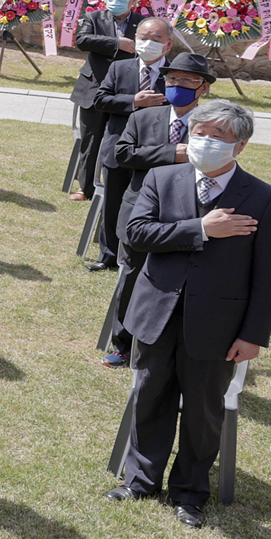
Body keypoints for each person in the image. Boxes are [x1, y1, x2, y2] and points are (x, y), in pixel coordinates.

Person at [109, 100, 271, 529]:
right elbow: (136, 233)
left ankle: (189, 492)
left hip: (218, 327)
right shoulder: (162, 177)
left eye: (217, 137)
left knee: (204, 411)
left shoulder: (263, 199)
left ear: (240, 146)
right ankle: (141, 480)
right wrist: (202, 229)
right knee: (151, 396)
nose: (204, 142)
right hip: (158, 313)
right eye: (200, 132)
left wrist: (253, 334)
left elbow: (268, 275)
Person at [105, 51, 217, 367]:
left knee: (172, 282)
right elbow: (123, 154)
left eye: (188, 80)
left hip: (186, 215)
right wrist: (170, 154)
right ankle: (121, 343)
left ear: (203, 88)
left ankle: (164, 343)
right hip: (140, 212)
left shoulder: (212, 126)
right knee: (132, 278)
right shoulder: (143, 117)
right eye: (172, 79)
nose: (178, 84)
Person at [89, 15, 176, 272]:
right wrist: (133, 101)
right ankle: (108, 255)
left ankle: (139, 256)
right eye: (143, 38)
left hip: (155, 152)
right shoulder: (119, 68)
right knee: (113, 204)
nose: (148, 43)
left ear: (168, 45)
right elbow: (100, 100)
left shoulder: (176, 75)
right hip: (118, 148)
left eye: (155, 39)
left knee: (146, 206)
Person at [68, 0, 147, 201]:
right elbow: (82, 40)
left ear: (133, 0)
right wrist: (116, 43)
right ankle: (86, 187)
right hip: (93, 88)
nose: (116, 0)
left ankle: (116, 187)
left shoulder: (142, 23)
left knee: (120, 140)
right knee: (91, 141)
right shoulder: (94, 17)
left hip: (125, 91)